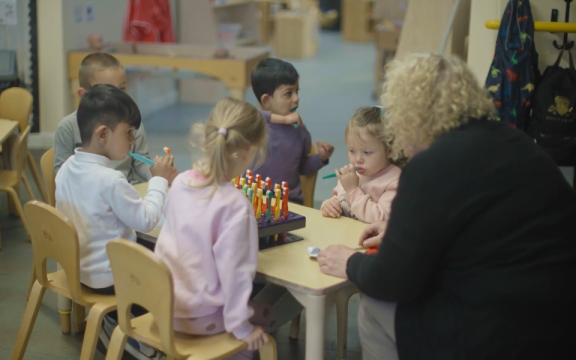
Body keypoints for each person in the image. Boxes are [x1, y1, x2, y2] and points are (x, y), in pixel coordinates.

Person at [317, 54, 576, 360]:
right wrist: (399, 231)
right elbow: (481, 225)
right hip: (558, 323)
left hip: (496, 335)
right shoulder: (518, 144)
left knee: (374, 305)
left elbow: (393, 281)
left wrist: (349, 262)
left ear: (412, 118)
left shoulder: (432, 164)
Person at [55, 84, 175, 360]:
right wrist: (159, 180)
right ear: (102, 134)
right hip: (109, 277)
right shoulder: (111, 180)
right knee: (170, 263)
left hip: (78, 270)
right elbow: (146, 221)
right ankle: (140, 343)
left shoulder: (66, 169)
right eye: (129, 133)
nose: (133, 141)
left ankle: (110, 324)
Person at [154, 98, 274, 359]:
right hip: (201, 318)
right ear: (247, 152)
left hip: (162, 307)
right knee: (266, 315)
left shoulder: (182, 182)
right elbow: (237, 275)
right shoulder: (235, 206)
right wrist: (242, 328)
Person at [54, 52, 170, 184]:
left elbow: (140, 161)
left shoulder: (131, 124)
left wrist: (157, 174)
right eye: (108, 91)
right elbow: (62, 176)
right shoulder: (68, 127)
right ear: (84, 95)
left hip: (126, 191)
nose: (118, 98)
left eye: (122, 88)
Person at [250, 58, 335, 205]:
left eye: (297, 91)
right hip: (252, 201)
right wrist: (282, 120)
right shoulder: (252, 124)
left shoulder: (299, 131)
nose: (296, 98)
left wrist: (321, 157)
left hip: (288, 204)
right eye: (288, 93)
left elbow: (302, 168)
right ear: (266, 101)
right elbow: (248, 113)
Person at [321, 106, 401, 223]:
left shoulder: (394, 181)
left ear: (389, 151)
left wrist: (353, 190)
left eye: (367, 152)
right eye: (352, 151)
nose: (358, 159)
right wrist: (329, 205)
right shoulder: (350, 174)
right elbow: (340, 199)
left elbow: (381, 219)